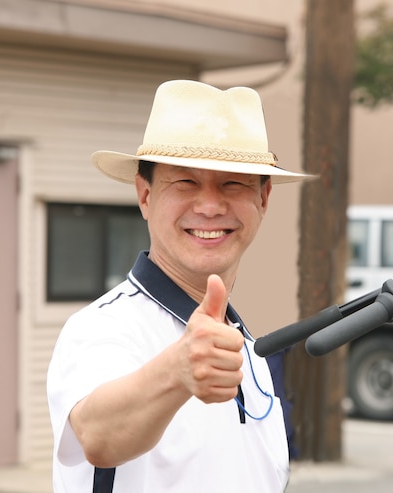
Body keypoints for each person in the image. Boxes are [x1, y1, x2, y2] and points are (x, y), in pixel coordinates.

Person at [46, 79, 312, 492]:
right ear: (146, 195)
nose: (209, 205)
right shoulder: (104, 327)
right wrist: (177, 370)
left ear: (264, 200)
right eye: (185, 183)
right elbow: (98, 436)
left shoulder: (248, 356)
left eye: (233, 183)